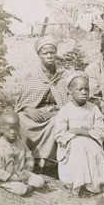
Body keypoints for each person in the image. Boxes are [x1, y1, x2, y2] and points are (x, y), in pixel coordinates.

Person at [15, 35, 68, 169]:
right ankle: (26, 158)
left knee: (58, 122)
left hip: (55, 113)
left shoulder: (64, 75)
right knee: (20, 119)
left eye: (52, 52)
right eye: (45, 53)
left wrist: (53, 114)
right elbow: (22, 102)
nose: (49, 56)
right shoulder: (31, 75)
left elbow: (69, 104)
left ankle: (47, 162)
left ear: (56, 53)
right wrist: (28, 109)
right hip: (34, 113)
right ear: (39, 55)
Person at [55, 71, 104, 196]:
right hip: (72, 144)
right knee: (79, 147)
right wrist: (73, 136)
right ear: (70, 90)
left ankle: (93, 186)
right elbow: (60, 134)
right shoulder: (65, 110)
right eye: (80, 89)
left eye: (86, 89)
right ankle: (78, 185)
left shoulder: (94, 109)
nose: (84, 92)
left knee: (92, 148)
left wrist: (78, 131)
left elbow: (101, 132)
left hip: (91, 141)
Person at [0, 111, 45, 196]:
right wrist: (13, 178)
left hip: (21, 174)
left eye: (15, 128)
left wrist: (27, 169)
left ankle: (29, 185)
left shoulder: (20, 143)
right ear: (2, 129)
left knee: (40, 181)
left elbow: (29, 157)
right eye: (10, 128)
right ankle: (28, 188)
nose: (13, 132)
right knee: (21, 189)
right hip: (7, 178)